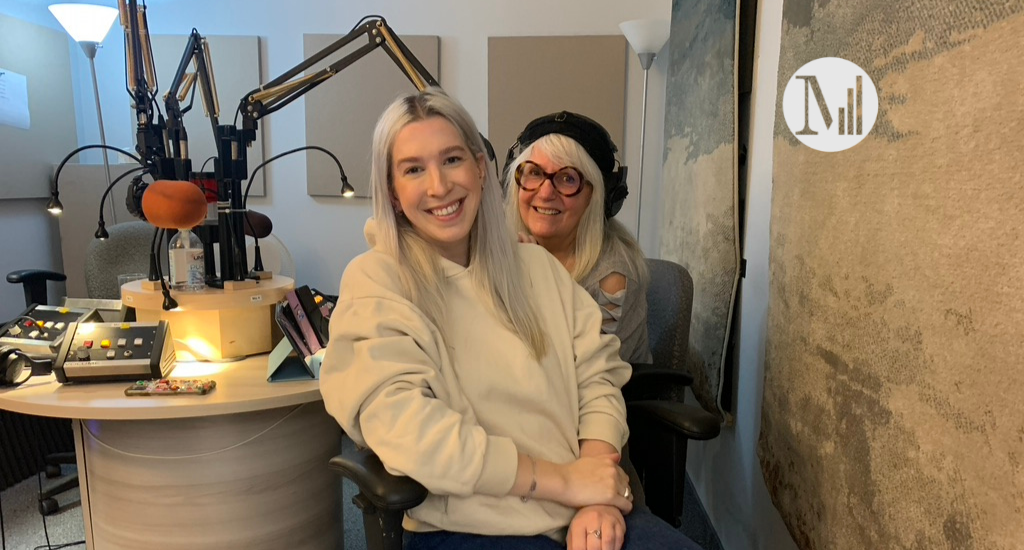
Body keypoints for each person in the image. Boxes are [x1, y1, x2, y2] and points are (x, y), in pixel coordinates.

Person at [319, 89, 700, 550]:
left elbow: (598, 380)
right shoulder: (376, 281)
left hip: (580, 509)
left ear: (481, 169)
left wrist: (597, 493)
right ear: (394, 193)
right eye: (414, 169)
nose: (439, 186)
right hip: (471, 526)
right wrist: (565, 483)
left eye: (453, 160)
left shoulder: (538, 269)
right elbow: (409, 432)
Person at [503, 112, 651, 365]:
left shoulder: (612, 281)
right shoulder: (508, 252)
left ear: (596, 198)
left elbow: (579, 381)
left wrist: (537, 284)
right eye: (535, 173)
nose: (546, 192)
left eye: (567, 178)